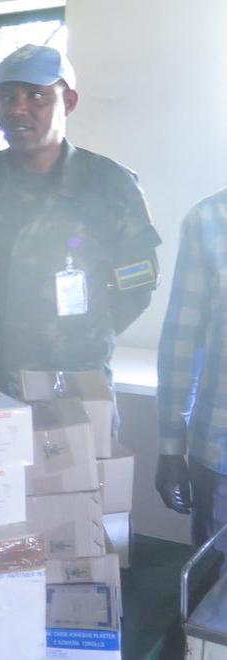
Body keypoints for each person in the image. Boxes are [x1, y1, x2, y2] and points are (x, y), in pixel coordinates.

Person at [0, 45, 160, 395]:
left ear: (69, 102)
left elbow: (137, 285)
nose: (17, 109)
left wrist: (79, 336)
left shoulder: (110, 185)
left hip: (73, 379)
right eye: (6, 97)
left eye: (36, 96)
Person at [156, 190, 227, 561]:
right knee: (214, 589)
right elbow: (182, 342)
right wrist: (171, 447)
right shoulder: (211, 220)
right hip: (221, 457)